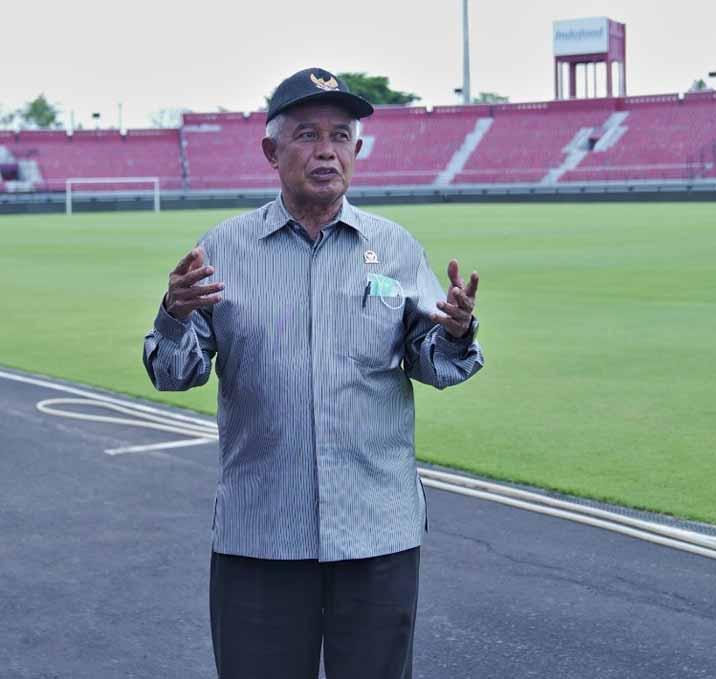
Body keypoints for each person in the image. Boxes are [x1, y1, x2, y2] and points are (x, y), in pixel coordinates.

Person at [143, 67, 484, 679]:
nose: (326, 150)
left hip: (376, 535)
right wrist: (172, 315)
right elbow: (173, 374)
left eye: (341, 135)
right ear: (271, 152)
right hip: (261, 535)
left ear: (357, 150)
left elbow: (435, 362)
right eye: (306, 135)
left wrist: (455, 332)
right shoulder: (222, 248)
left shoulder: (397, 248)